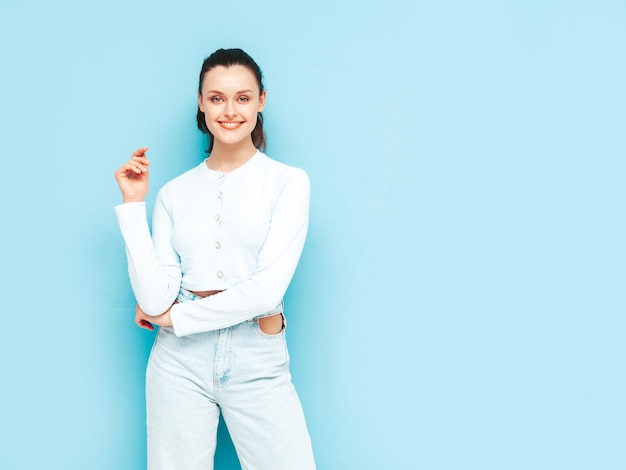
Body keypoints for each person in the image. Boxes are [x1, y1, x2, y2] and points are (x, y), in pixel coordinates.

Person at [113, 48, 316, 470]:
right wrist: (134, 206)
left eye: (242, 98)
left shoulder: (288, 183)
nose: (229, 111)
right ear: (201, 102)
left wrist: (178, 318)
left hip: (255, 355)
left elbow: (266, 291)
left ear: (261, 101)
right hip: (178, 362)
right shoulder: (172, 193)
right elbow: (154, 300)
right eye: (217, 98)